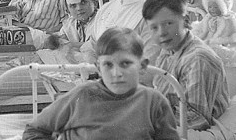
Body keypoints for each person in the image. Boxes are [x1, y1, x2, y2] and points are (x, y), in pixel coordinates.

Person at [23, 28, 180, 140]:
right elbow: (34, 130)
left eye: (125, 63)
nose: (116, 73)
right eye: (108, 65)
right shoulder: (82, 96)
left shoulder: (154, 102)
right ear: (98, 67)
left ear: (142, 66)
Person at [143, 0, 229, 131]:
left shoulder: (197, 59)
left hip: (194, 126)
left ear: (186, 21)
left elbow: (198, 120)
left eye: (168, 23)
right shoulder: (169, 48)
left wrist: (150, 114)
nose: (161, 33)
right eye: (154, 27)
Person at [39, 0, 100, 64]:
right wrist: (55, 41)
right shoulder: (69, 23)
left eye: (83, 3)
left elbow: (99, 45)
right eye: (73, 5)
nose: (79, 8)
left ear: (95, 3)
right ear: (67, 10)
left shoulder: (102, 20)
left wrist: (72, 45)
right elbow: (61, 39)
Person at [192, 0, 236, 68]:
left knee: (221, 51)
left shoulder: (229, 18)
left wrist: (222, 41)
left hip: (223, 41)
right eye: (210, 7)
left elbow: (232, 33)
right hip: (210, 38)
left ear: (223, 6)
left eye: (215, 7)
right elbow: (202, 29)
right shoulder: (208, 17)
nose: (212, 10)